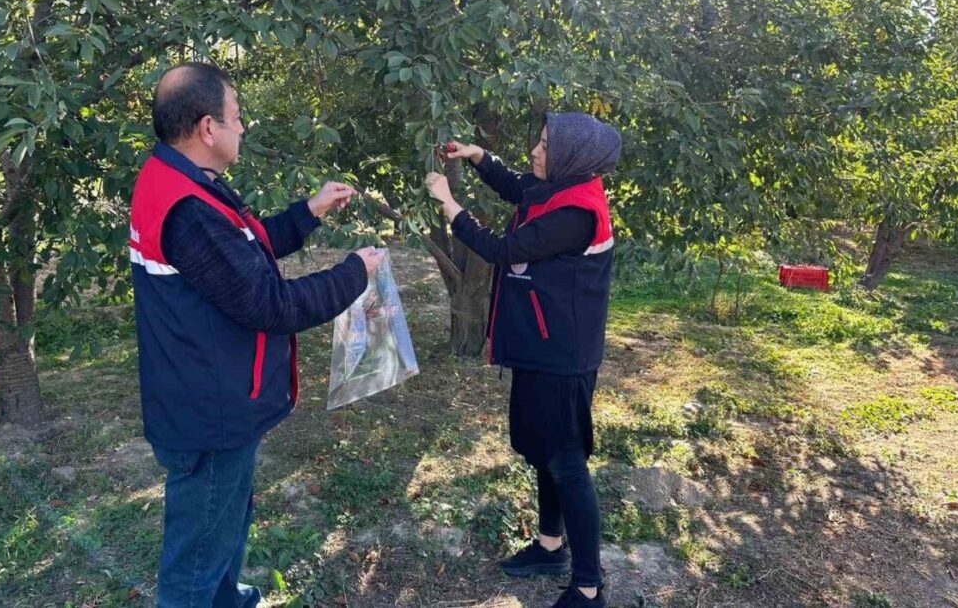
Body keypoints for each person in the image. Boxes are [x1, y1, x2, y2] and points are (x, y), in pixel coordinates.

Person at [129, 62, 384, 608]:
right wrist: (353, 272)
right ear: (206, 128)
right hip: (209, 410)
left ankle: (228, 598)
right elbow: (269, 303)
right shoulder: (188, 210)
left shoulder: (178, 180)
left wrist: (308, 212)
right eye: (237, 117)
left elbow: (240, 252)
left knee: (222, 524)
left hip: (207, 395)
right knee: (195, 558)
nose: (243, 128)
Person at [425, 112, 621, 608]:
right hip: (543, 344)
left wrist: (449, 204)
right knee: (544, 453)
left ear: (571, 158)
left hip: (562, 356)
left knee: (567, 463)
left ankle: (588, 587)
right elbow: (519, 188)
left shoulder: (576, 214)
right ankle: (551, 546)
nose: (535, 150)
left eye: (545, 144)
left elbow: (502, 247)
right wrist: (478, 158)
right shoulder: (560, 188)